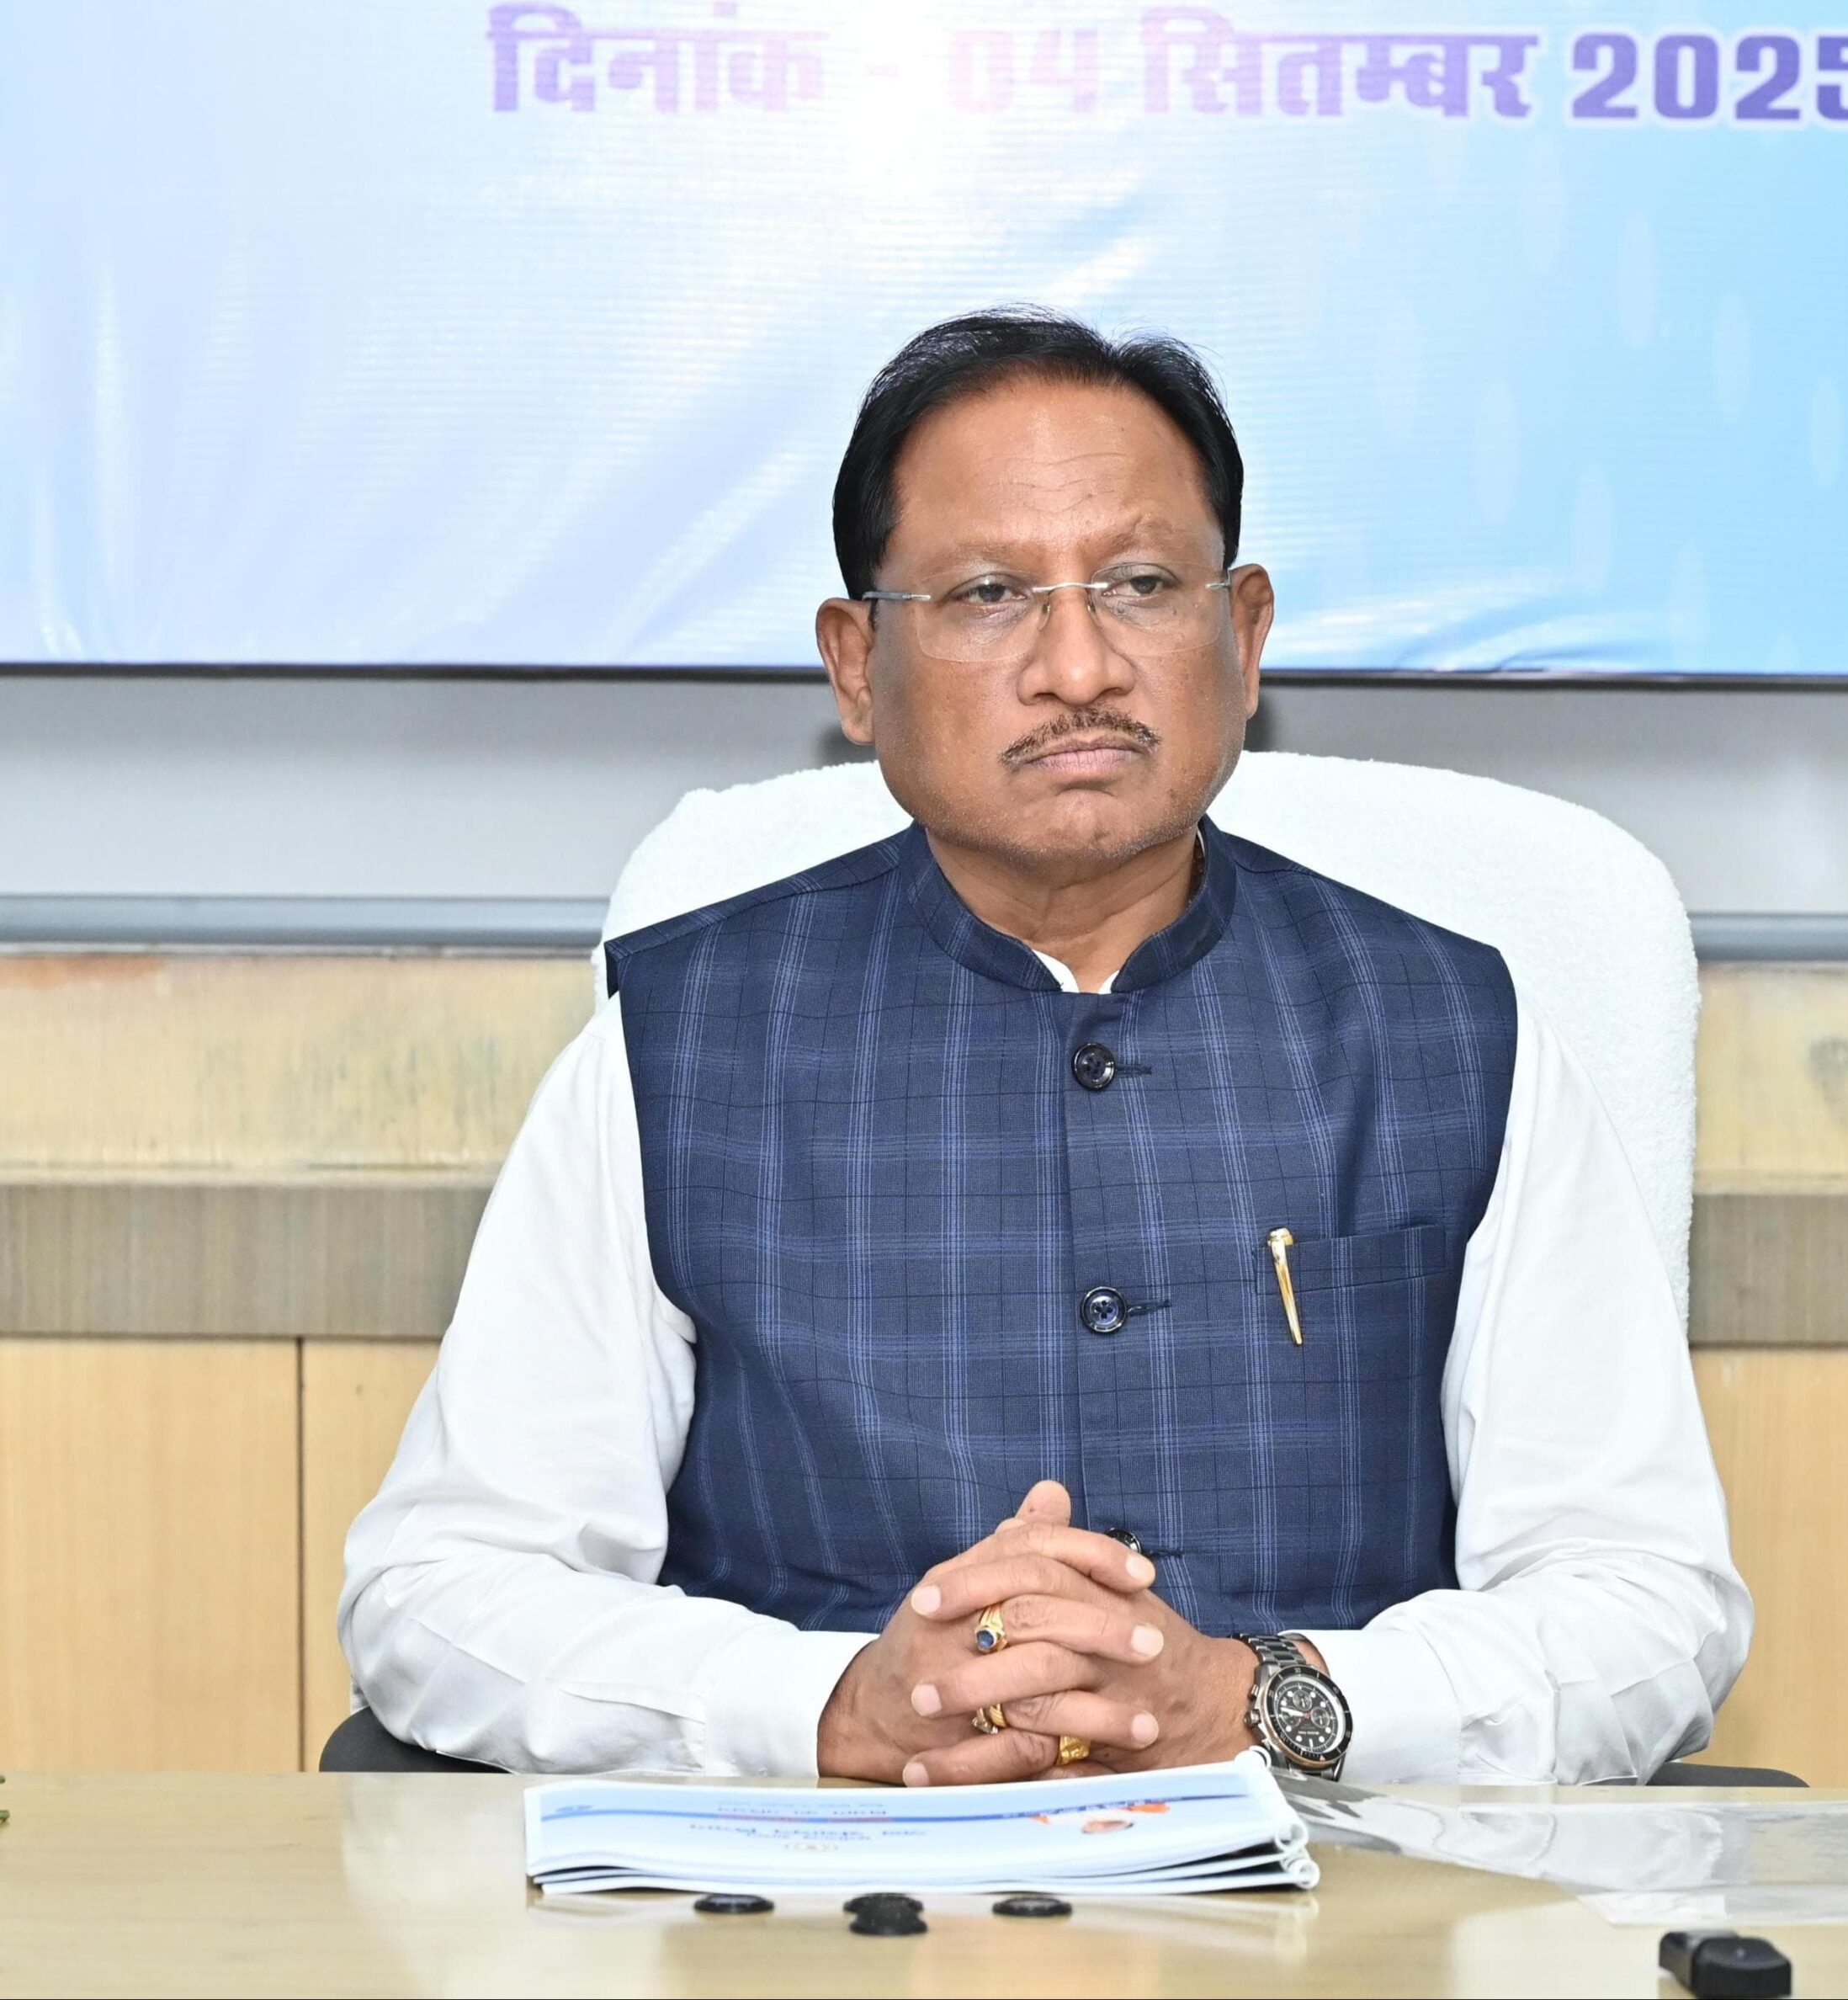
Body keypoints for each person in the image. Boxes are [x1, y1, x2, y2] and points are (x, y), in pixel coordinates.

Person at [342, 308, 1750, 1787]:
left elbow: (1647, 1602)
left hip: (1338, 1887)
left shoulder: (1456, 1030)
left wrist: (1263, 1699)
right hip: (828, 1886)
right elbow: (443, 1590)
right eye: (989, 594)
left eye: (1140, 585)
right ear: (857, 666)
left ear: (1244, 635)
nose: (1079, 666)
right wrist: (829, 1709)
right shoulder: (681, 1047)